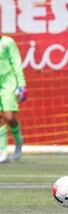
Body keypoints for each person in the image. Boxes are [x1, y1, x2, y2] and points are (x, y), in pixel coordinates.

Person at [0, 35, 27, 163]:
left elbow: (16, 63)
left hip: (8, 84)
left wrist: (21, 84)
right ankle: (3, 151)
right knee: (0, 118)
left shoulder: (8, 42)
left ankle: (18, 140)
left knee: (9, 117)